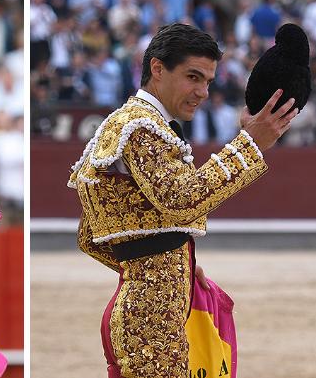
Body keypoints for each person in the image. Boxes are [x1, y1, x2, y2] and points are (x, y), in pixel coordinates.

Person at [68, 23, 298, 378]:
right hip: (151, 320)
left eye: (207, 81)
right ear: (157, 69)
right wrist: (249, 145)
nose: (203, 92)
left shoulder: (125, 122)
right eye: (193, 77)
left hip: (147, 310)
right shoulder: (141, 127)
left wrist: (171, 261)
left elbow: (90, 235)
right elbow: (183, 199)